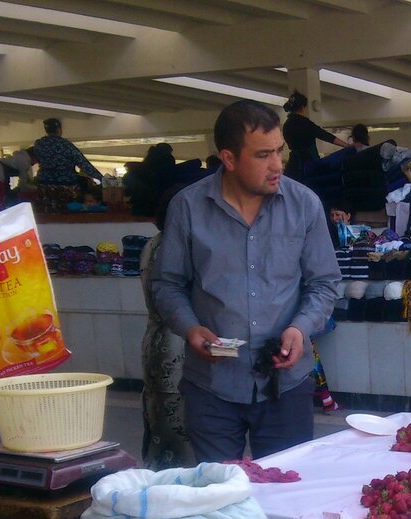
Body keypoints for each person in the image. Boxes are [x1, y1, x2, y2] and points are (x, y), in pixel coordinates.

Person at [153, 100, 339, 463]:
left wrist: (300, 329)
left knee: (288, 493)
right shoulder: (187, 207)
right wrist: (190, 328)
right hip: (212, 386)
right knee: (218, 497)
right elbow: (166, 284)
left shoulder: (305, 205)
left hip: (286, 386)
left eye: (279, 151)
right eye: (263, 155)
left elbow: (325, 283)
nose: (277, 166)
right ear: (229, 158)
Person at [139, 190, 194, 470]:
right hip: (181, 348)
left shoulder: (153, 244)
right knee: (180, 436)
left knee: (159, 427)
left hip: (156, 344)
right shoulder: (178, 248)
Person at [33, 118, 102, 212]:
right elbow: (83, 164)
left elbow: (34, 159)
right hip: (67, 186)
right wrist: (102, 179)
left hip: (45, 186)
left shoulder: (39, 144)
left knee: (47, 213)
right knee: (68, 213)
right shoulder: (66, 145)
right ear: (59, 130)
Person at [282, 92, 349, 182]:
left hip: (293, 164)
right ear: (303, 107)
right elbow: (325, 136)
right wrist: (347, 146)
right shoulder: (305, 123)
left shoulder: (286, 125)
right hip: (309, 163)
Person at [124, 143, 178, 218]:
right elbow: (167, 177)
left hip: (141, 200)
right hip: (155, 199)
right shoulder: (167, 159)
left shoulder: (149, 160)